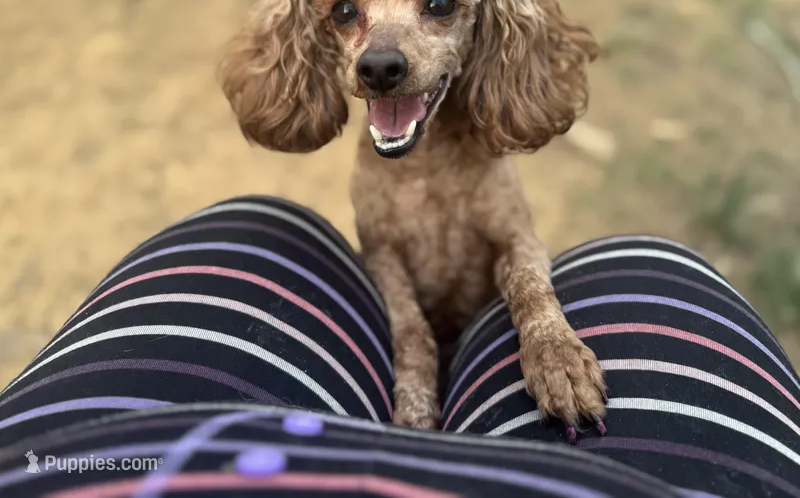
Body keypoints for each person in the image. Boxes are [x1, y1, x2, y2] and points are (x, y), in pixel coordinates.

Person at [0, 195, 797, 497]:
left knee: (263, 223)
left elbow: (512, 232)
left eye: (439, 6)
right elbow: (381, 251)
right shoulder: (374, 164)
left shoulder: (482, 155)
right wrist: (413, 356)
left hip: (60, 462)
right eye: (347, 14)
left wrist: (541, 320)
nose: (383, 49)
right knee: (657, 262)